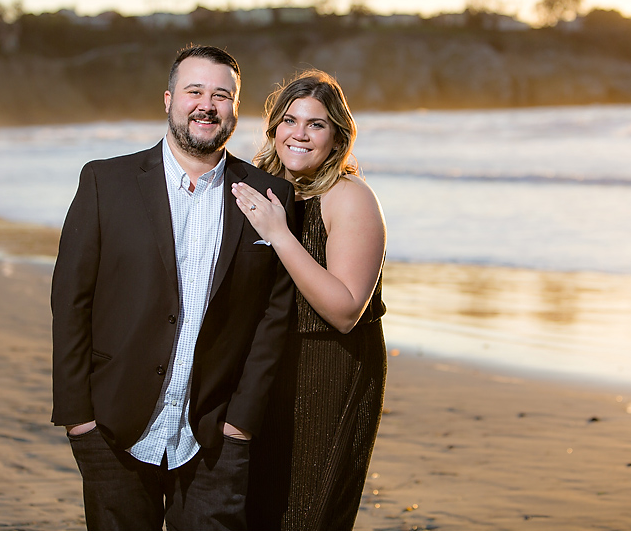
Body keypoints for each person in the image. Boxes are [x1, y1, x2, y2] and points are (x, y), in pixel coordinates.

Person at [51, 44, 296, 530]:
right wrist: (79, 418)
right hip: (114, 428)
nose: (207, 104)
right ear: (168, 99)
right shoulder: (105, 182)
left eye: (221, 95)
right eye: (195, 91)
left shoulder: (269, 195)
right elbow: (70, 300)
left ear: (235, 109)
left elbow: (274, 316)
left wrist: (241, 424)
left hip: (215, 436)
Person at [231, 70, 387, 530]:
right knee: (255, 508)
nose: (299, 134)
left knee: (308, 511)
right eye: (290, 120)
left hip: (330, 366)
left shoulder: (349, 198)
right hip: (264, 364)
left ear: (337, 135)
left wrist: (279, 234)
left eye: (316, 124)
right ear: (274, 127)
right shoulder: (259, 189)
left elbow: (344, 311)